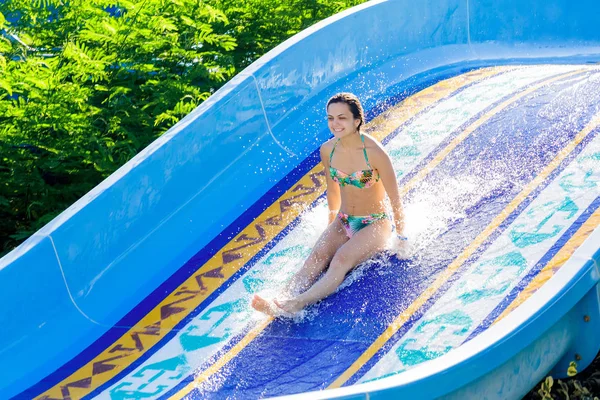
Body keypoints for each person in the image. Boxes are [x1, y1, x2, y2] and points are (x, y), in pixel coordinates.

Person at [251, 92, 406, 317]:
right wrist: (331, 224)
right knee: (317, 257)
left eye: (342, 118)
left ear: (357, 120)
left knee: (340, 259)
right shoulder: (328, 150)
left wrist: (401, 237)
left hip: (374, 223)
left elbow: (395, 199)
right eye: (331, 118)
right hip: (344, 220)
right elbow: (332, 190)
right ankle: (280, 300)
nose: (335, 124)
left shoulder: (375, 153)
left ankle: (297, 303)